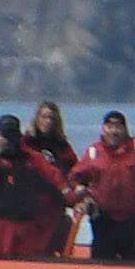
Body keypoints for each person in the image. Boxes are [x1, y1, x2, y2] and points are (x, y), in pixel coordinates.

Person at [69, 110, 135, 261]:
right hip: (103, 221)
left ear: (125, 129)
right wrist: (84, 197)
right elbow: (75, 178)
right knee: (101, 265)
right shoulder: (93, 152)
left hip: (134, 221)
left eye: (118, 127)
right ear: (103, 129)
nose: (113, 131)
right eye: (109, 127)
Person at [0, 113, 70, 256]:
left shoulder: (32, 159)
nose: (9, 142)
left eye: (12, 137)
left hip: (24, 227)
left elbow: (58, 181)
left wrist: (74, 197)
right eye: (5, 137)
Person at [27, 99, 78, 253]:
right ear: (37, 119)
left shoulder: (63, 147)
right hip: (30, 208)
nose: (47, 121)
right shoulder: (26, 143)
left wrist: (77, 193)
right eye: (44, 117)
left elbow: (76, 172)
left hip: (54, 209)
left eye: (51, 118)